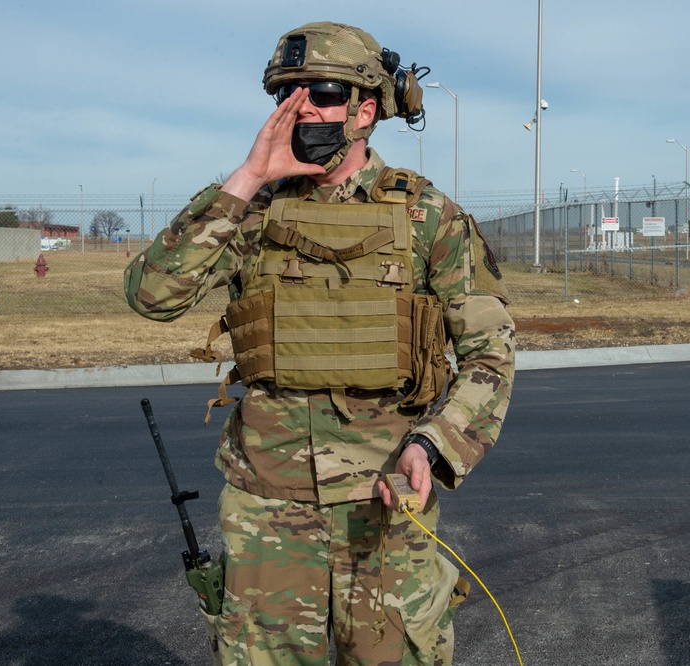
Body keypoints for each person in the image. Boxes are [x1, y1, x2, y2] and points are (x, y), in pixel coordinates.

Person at [124, 21, 514, 666]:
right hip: (267, 502)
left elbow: (489, 355)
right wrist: (248, 177)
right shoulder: (249, 209)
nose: (301, 107)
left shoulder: (428, 216)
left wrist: (433, 445)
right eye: (287, 93)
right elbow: (152, 296)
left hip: (385, 497)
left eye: (323, 91)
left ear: (366, 109)